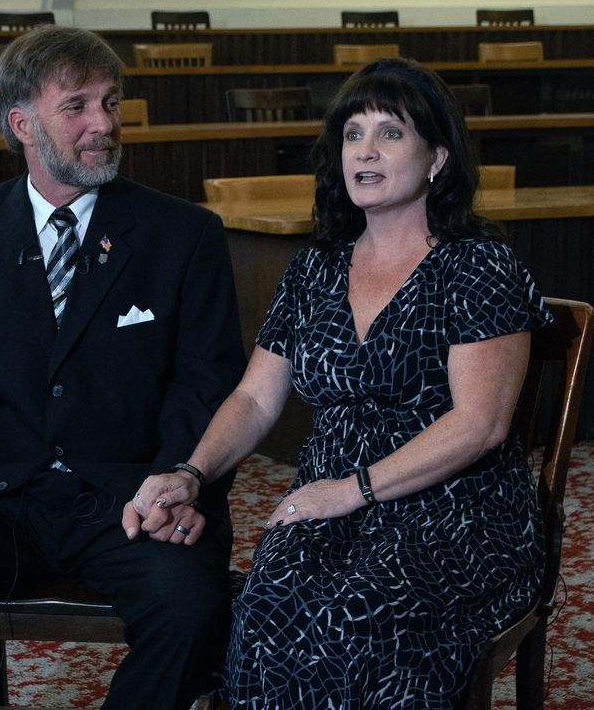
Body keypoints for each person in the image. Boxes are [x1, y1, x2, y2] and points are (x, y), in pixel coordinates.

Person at [126, 57, 553, 709]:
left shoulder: (478, 264)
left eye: (391, 133)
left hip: (455, 511)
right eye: (354, 133)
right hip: (329, 501)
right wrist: (191, 470)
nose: (366, 151)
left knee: (348, 619)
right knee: (265, 614)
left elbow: (481, 424)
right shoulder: (317, 267)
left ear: (437, 157)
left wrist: (350, 491)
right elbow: (253, 396)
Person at [0, 26, 245, 710]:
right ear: (22, 123)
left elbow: (206, 383)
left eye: (111, 104)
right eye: (78, 107)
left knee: (192, 603)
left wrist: (180, 479)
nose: (104, 124)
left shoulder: (185, 234)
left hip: (133, 499)